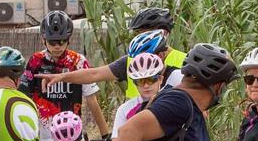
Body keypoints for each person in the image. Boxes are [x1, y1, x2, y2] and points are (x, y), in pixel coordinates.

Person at [43, 7, 186, 94]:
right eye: (137, 34)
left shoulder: (184, 61)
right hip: (136, 132)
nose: (139, 38)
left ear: (163, 33)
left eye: (144, 32)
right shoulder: (132, 60)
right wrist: (61, 77)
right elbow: (94, 74)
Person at [18, 12, 108, 138]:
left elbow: (91, 100)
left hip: (72, 134)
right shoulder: (35, 61)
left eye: (62, 42)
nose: (57, 47)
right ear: (44, 40)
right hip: (42, 136)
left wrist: (105, 136)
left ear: (68, 40)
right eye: (52, 42)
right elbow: (23, 98)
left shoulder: (78, 61)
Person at [112, 52, 168, 133]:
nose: (145, 86)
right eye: (140, 81)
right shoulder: (124, 110)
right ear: (135, 83)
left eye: (150, 80)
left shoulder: (172, 102)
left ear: (160, 79)